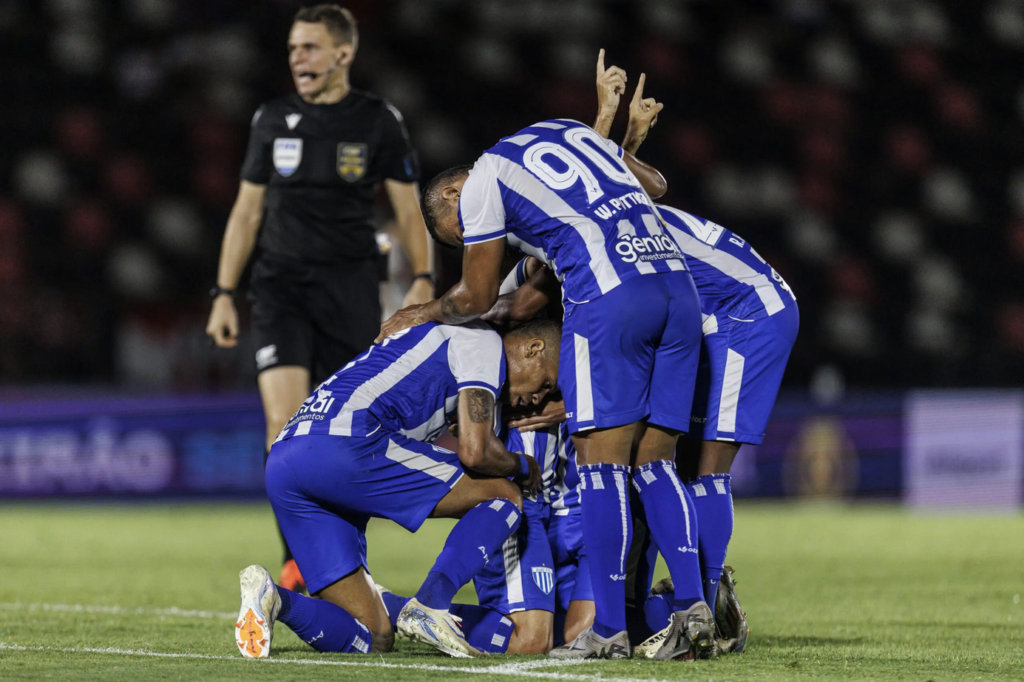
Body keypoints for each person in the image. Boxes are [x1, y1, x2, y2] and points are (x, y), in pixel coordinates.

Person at [376, 51, 716, 661]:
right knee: (654, 463)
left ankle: (607, 632)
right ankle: (694, 610)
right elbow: (656, 186)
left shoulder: (480, 185)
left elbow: (479, 296)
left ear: (454, 196)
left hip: (611, 295)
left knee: (604, 466)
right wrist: (619, 129)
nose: (484, 246)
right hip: (676, 287)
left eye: (462, 237)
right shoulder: (566, 133)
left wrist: (420, 310)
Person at [205, 4, 435, 593]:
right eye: (291, 49)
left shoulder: (377, 121)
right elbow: (247, 210)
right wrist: (225, 292)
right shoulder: (272, 119)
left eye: (309, 48)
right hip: (279, 286)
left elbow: (409, 209)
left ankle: (342, 562)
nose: (297, 59)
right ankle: (296, 561)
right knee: (282, 422)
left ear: (343, 53)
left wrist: (424, 278)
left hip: (352, 286)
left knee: (339, 431)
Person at [234, 318, 561, 659]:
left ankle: (274, 597)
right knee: (504, 493)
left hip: (287, 456)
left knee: (374, 635)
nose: (539, 397)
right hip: (347, 441)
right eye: (546, 382)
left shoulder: (440, 347)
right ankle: (431, 601)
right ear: (533, 348)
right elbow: (475, 451)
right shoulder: (485, 345)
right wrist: (525, 466)